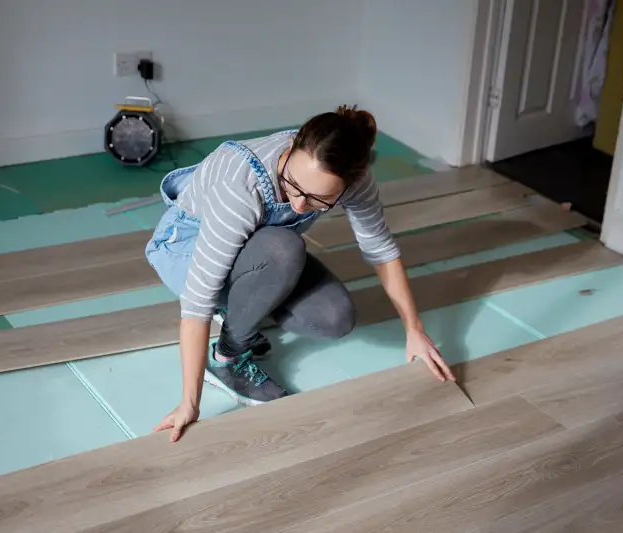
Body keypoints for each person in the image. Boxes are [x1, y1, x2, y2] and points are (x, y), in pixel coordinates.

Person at [145, 105, 455, 442]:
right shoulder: (238, 186)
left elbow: (380, 248)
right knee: (284, 248)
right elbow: (197, 301)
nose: (297, 205)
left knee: (334, 317)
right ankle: (226, 359)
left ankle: (243, 305)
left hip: (258, 252)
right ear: (292, 144)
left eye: (318, 201)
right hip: (184, 250)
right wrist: (190, 404)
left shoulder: (355, 177)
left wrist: (414, 329)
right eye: (292, 185)